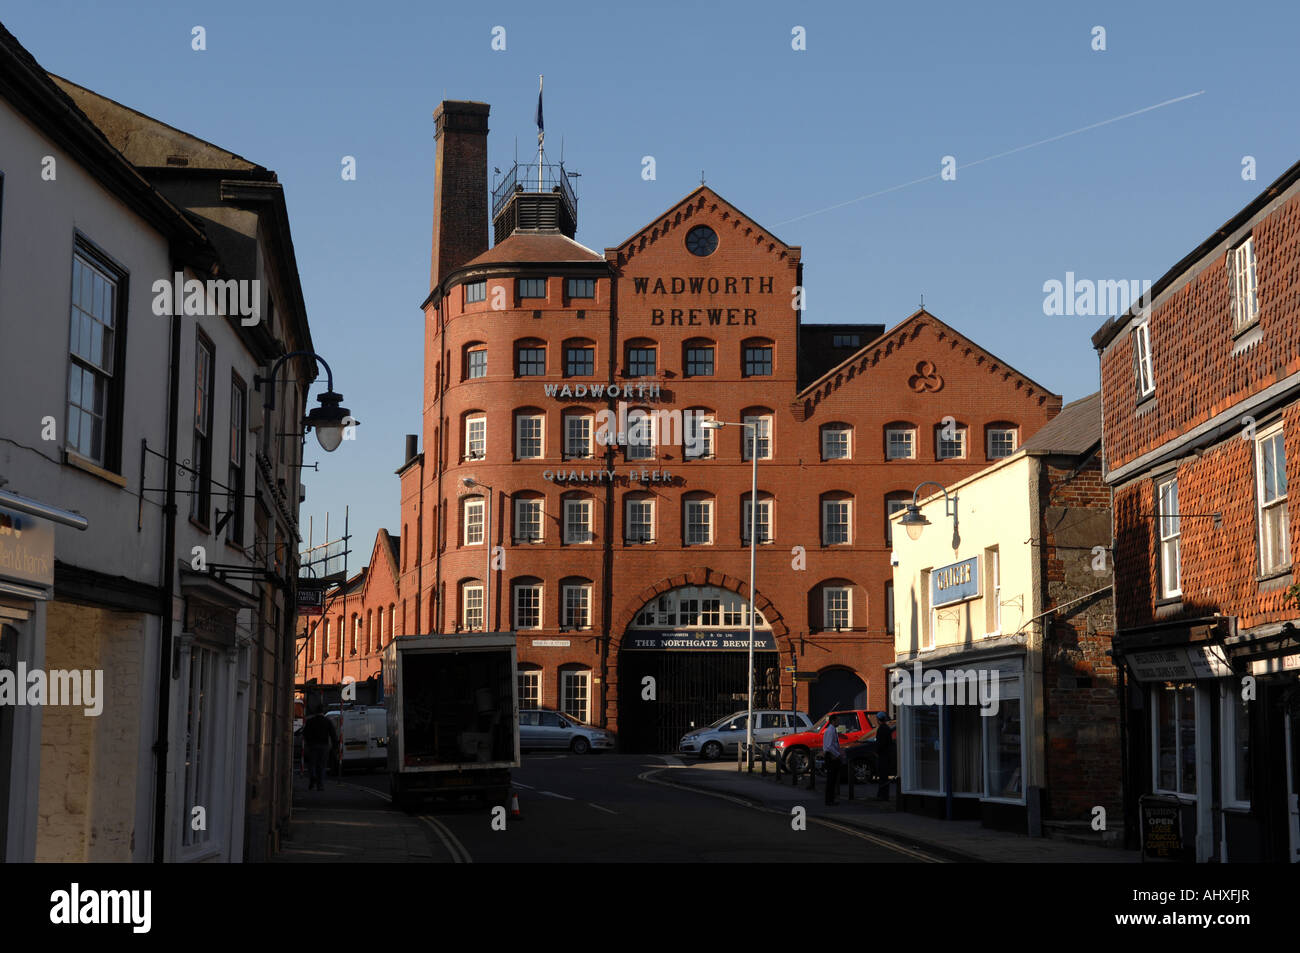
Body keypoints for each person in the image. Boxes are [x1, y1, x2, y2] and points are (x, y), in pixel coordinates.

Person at [303, 704, 338, 791]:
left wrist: (308, 742)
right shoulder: (327, 721)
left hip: (312, 745)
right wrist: (335, 746)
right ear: (323, 711)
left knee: (311, 764)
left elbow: (305, 733)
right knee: (322, 766)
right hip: (324, 746)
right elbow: (333, 734)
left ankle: (313, 776)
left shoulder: (310, 721)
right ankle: (320, 785)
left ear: (315, 711)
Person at [874, 711, 895, 800]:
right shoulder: (887, 729)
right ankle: (883, 795)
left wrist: (876, 751)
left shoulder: (881, 729)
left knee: (882, 776)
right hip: (887, 755)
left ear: (878, 720)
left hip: (882, 756)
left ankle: (882, 796)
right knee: (884, 776)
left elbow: (880, 744)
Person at [822, 718, 843, 805]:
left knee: (832, 779)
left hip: (831, 755)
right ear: (833, 721)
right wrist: (838, 754)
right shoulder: (830, 731)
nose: (839, 722)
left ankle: (831, 799)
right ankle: (829, 800)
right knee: (831, 779)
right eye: (837, 720)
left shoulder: (831, 730)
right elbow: (829, 746)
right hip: (831, 756)